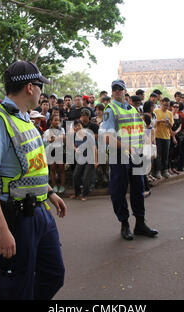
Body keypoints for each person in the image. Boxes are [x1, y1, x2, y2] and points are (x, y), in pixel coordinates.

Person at [0, 60, 66, 300]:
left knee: (54, 274)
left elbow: (29, 169)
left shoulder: (25, 119)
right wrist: (1, 228)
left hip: (39, 211)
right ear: (29, 87)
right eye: (39, 86)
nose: (41, 91)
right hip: (14, 218)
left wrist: (50, 193)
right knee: (16, 285)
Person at [100, 79, 158, 241]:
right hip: (119, 155)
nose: (117, 91)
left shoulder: (132, 109)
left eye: (120, 89)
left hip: (135, 154)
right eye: (114, 89)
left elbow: (141, 132)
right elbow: (107, 138)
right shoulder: (110, 110)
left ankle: (140, 223)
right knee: (119, 191)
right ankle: (124, 224)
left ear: (125, 91)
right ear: (112, 92)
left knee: (138, 188)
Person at [71, 120, 97, 201]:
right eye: (75, 126)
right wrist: (75, 149)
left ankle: (84, 195)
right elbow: (72, 144)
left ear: (82, 126)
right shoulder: (74, 135)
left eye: (79, 125)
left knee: (86, 177)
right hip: (81, 158)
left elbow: (94, 148)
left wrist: (96, 161)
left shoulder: (89, 135)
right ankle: (77, 194)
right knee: (75, 176)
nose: (77, 127)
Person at [43, 114, 66, 194]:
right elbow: (49, 140)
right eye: (55, 120)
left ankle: (62, 185)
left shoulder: (62, 129)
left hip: (59, 149)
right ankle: (54, 186)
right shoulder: (47, 131)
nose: (57, 122)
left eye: (58, 120)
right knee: (52, 168)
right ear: (51, 121)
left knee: (61, 168)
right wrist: (57, 137)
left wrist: (55, 138)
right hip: (51, 150)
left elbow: (63, 137)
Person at [152, 98, 173, 179]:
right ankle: (157, 171)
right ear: (161, 103)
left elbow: (171, 126)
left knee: (166, 155)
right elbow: (153, 123)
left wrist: (168, 123)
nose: (166, 107)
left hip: (167, 136)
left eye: (168, 105)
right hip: (157, 136)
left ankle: (165, 170)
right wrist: (160, 121)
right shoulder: (156, 111)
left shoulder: (170, 113)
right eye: (165, 105)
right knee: (158, 155)